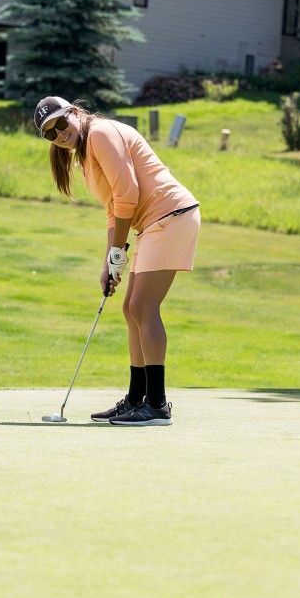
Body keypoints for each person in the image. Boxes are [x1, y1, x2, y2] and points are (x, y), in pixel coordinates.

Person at [34, 96, 200, 426]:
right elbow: (115, 208)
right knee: (131, 309)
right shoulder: (85, 156)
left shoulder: (99, 134)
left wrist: (118, 251)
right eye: (51, 133)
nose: (60, 134)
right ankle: (136, 398)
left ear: (75, 114)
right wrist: (110, 261)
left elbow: (128, 194)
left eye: (62, 123)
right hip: (155, 222)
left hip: (170, 215)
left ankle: (156, 404)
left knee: (142, 307)